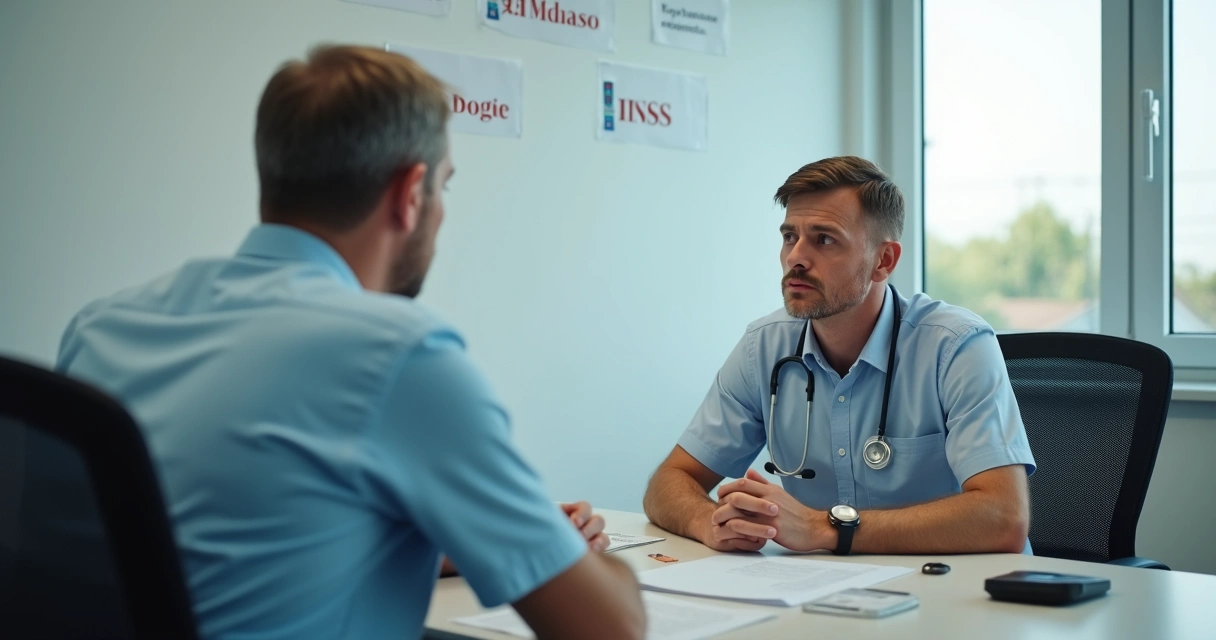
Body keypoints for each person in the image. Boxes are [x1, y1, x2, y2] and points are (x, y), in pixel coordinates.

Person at [55, 45, 644, 639]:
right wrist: (563, 551)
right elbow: (610, 629)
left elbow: (217, 552)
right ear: (410, 193)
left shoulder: (101, 328)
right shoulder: (399, 355)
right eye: (444, 186)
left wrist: (482, 542)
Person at [642, 156, 1035, 557]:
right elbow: (669, 481)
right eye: (789, 236)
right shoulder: (764, 347)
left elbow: (1003, 516)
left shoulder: (955, 346)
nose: (796, 257)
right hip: (824, 591)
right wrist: (707, 523)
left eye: (824, 239)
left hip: (959, 595)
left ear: (883, 261)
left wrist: (825, 527)